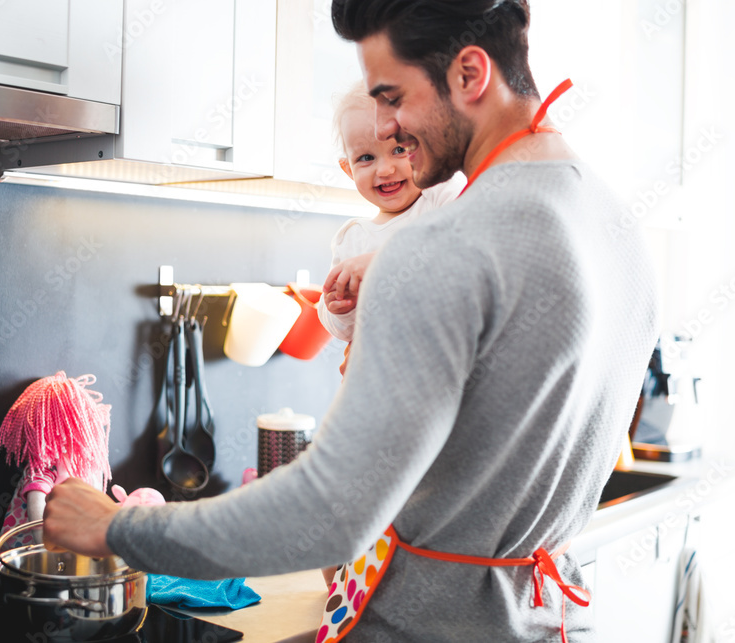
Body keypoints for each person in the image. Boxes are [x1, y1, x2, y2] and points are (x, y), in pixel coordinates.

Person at [43, 1, 660, 640]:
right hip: (544, 621)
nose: (385, 124)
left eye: (392, 98)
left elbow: (330, 512)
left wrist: (114, 527)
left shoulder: (441, 248)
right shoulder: (617, 228)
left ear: (471, 74)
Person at [318, 83, 464, 374]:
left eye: (399, 149)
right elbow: (341, 329)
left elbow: (464, 238)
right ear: (348, 169)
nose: (384, 170)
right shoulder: (353, 239)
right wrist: (339, 309)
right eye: (366, 158)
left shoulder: (438, 198)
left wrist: (379, 262)